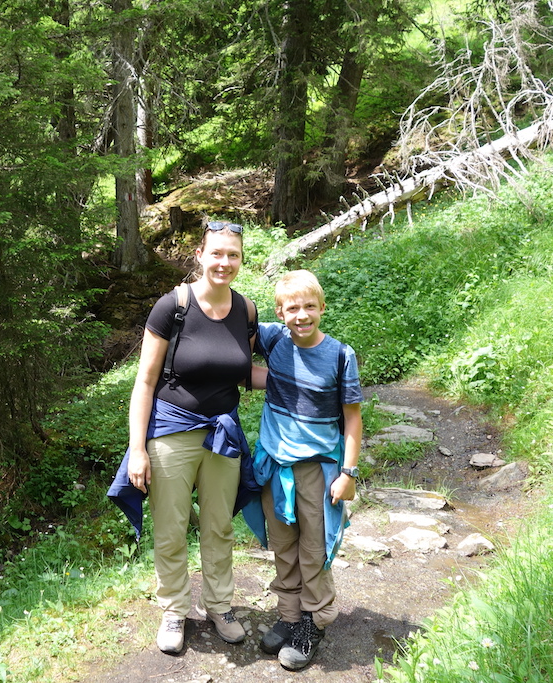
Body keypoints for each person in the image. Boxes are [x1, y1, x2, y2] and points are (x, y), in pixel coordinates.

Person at [110, 221, 258, 655]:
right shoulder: (172, 306)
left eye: (233, 255)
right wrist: (138, 449)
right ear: (200, 255)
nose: (224, 262)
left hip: (222, 434)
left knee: (219, 526)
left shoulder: (245, 310)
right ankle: (174, 610)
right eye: (217, 253)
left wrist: (305, 380)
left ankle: (220, 606)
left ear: (241, 259)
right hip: (171, 432)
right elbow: (144, 381)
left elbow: (242, 373)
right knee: (171, 528)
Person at [251, 269, 363, 671]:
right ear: (280, 313)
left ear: (322, 308)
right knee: (283, 546)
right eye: (292, 308)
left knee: (315, 549)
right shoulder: (274, 340)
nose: (302, 315)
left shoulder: (340, 356)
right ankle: (288, 615)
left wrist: (348, 473)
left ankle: (315, 621)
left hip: (317, 469)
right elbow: (232, 318)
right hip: (275, 465)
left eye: (309, 306)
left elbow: (352, 418)